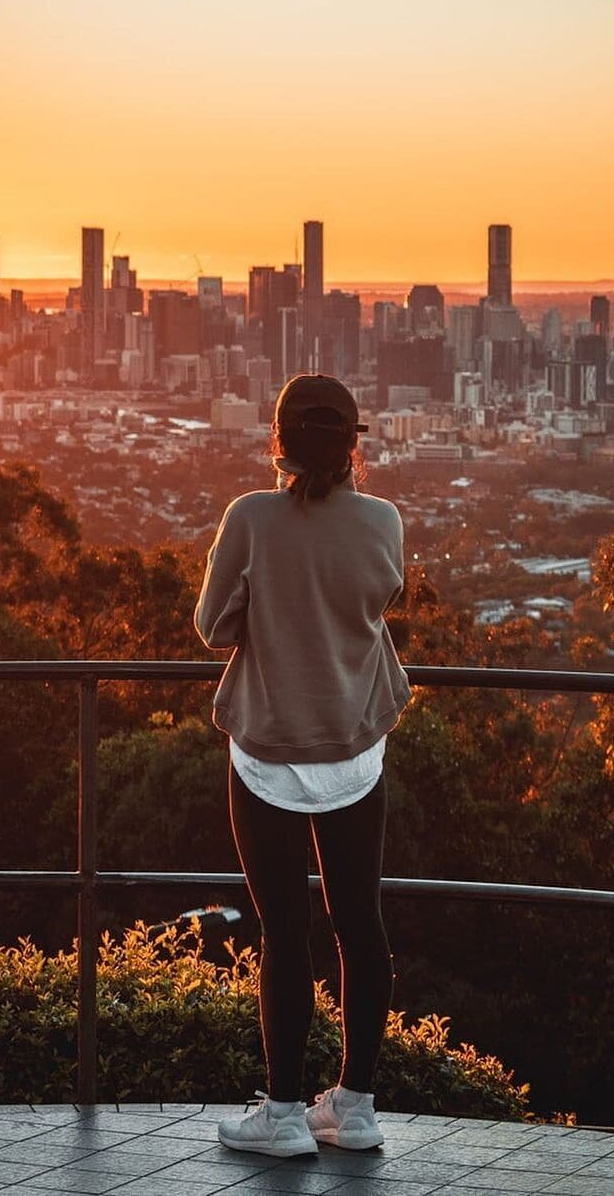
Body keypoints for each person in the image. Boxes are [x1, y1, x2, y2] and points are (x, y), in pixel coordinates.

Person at [194, 373, 411, 1158]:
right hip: (355, 744)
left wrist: (269, 602)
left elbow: (212, 626)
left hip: (269, 752)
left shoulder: (249, 518)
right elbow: (378, 600)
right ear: (355, 447)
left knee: (285, 932)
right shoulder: (384, 521)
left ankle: (283, 1114)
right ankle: (354, 1108)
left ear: (278, 443)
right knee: (361, 923)